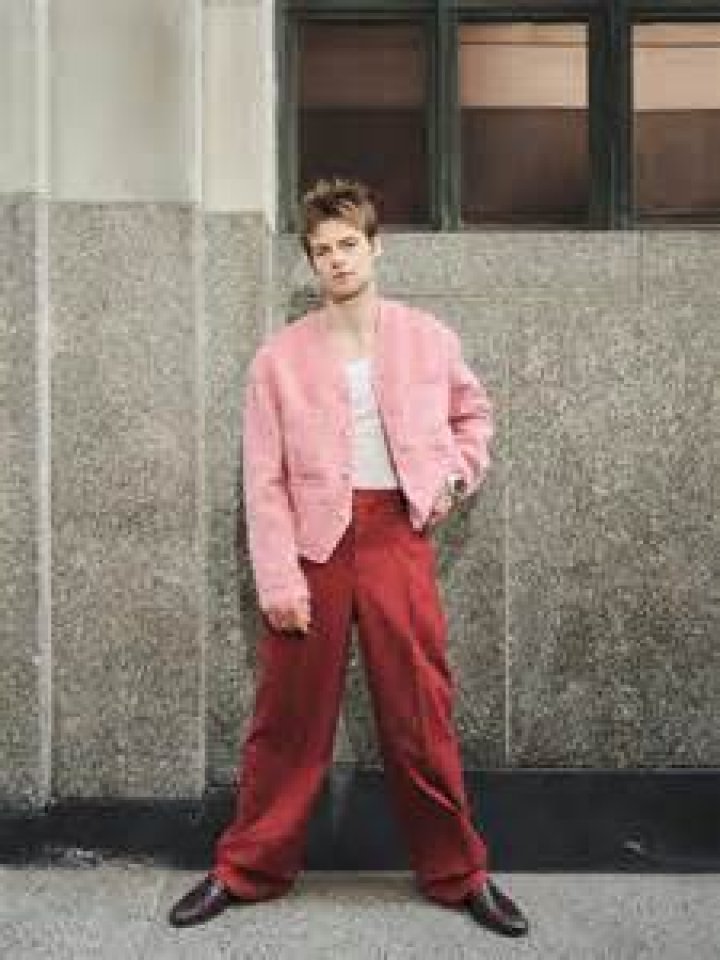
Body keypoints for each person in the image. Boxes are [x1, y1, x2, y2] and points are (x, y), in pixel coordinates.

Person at [169, 177, 529, 938]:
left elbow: (474, 416)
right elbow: (263, 479)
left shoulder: (428, 338)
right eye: (322, 249)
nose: (337, 259)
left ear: (375, 247)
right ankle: (246, 868)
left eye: (348, 244)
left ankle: (460, 873)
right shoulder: (278, 360)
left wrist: (453, 477)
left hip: (397, 536)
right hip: (315, 547)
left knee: (421, 712)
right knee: (288, 719)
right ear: (310, 262)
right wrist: (278, 577)